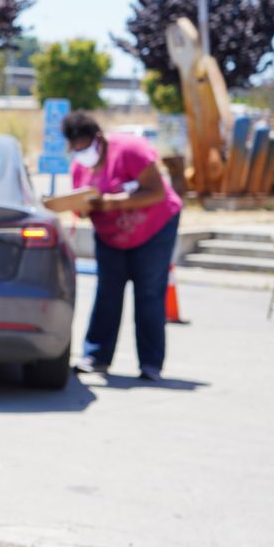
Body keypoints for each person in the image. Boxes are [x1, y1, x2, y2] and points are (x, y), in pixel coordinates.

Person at [62, 111, 183, 381]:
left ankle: (151, 363)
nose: (81, 152)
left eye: (85, 146)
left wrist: (111, 202)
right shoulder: (79, 168)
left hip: (154, 228)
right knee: (108, 292)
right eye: (76, 148)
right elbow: (80, 207)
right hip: (110, 236)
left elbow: (157, 192)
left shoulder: (130, 150)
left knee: (149, 292)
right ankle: (96, 356)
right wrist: (80, 208)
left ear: (98, 138)